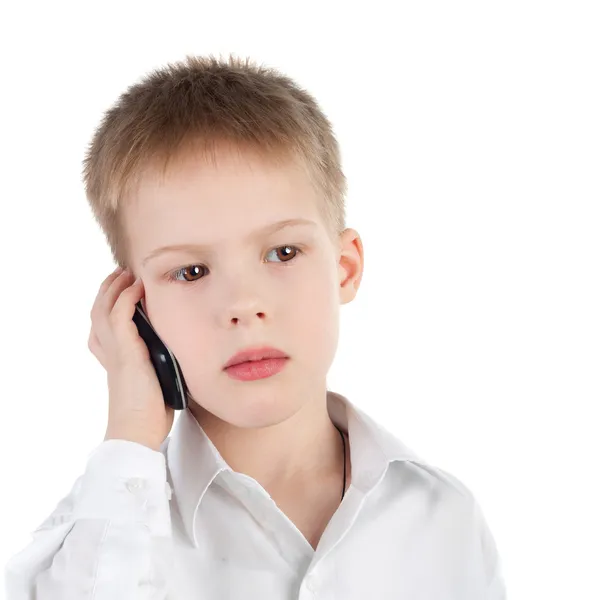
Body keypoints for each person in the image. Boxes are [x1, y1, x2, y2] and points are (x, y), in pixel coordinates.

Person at [4, 54, 506, 599]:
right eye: (191, 271)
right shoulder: (103, 537)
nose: (242, 305)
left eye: (282, 252)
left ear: (346, 268)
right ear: (132, 310)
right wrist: (130, 434)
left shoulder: (442, 518)